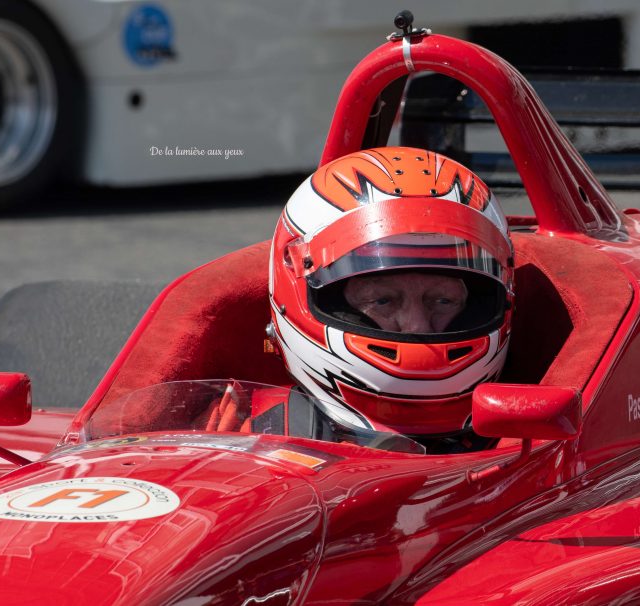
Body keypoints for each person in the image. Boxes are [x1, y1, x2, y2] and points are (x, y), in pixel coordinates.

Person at [210, 146, 515, 453]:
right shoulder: (240, 435)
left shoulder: (533, 443)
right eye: (382, 300)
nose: (417, 325)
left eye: (443, 300)